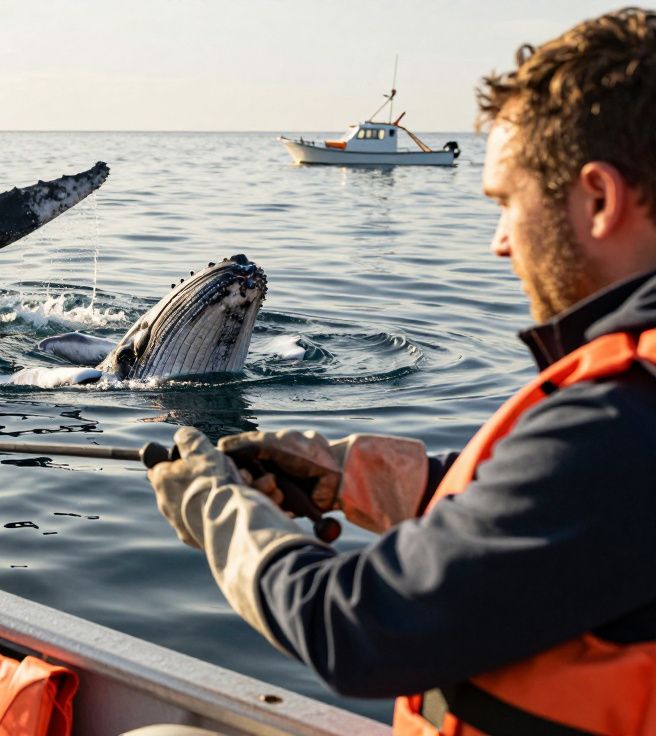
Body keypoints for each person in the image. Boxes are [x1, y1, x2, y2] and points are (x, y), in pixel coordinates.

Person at [147, 8, 656, 735]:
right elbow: (570, 522)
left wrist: (221, 513)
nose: (498, 244)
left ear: (599, 199)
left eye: (508, 205)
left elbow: (360, 630)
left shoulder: (625, 422)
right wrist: (355, 474)